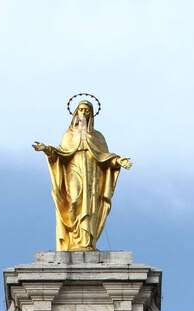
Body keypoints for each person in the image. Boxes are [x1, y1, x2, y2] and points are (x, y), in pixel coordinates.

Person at [34, 101, 131, 251]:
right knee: (74, 201)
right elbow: (60, 154)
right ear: (76, 113)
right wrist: (46, 149)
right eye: (81, 110)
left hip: (92, 175)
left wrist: (119, 160)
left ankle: (86, 242)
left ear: (91, 114)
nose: (83, 113)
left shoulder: (97, 137)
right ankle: (74, 239)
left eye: (87, 111)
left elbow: (105, 157)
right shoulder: (68, 135)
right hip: (73, 171)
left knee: (90, 206)